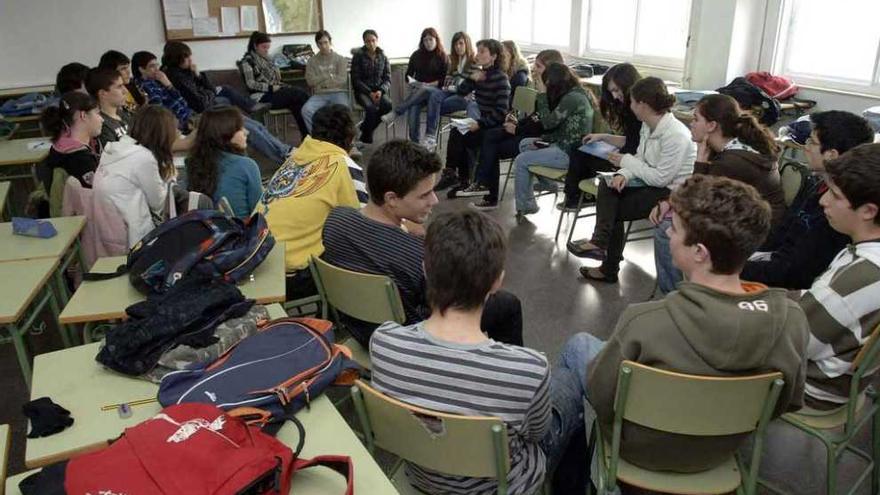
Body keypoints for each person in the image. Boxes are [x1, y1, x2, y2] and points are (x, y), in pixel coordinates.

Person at [561, 174, 808, 473]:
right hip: (724, 451)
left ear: (699, 252)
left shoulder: (644, 322)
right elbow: (785, 403)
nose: (667, 234)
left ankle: (573, 475)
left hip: (641, 451)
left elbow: (602, 398)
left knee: (578, 346)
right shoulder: (792, 320)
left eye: (674, 229)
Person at [370, 210, 585, 495]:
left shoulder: (384, 342)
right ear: (497, 281)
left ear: (425, 269)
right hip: (502, 486)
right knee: (570, 387)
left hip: (422, 478)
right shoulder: (528, 369)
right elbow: (536, 434)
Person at [322, 140, 524, 348]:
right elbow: (448, 304)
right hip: (409, 342)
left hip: (357, 329)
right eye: (424, 194)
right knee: (507, 304)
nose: (435, 201)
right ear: (391, 198)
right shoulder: (419, 255)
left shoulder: (336, 219)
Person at [651, 93, 787, 293]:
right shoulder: (734, 148)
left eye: (696, 118)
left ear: (712, 126)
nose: (691, 123)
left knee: (666, 230)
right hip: (751, 222)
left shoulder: (731, 161)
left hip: (758, 234)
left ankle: (677, 296)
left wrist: (699, 161)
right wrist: (668, 202)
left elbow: (695, 198)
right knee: (673, 222)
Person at [573, 77, 695, 284]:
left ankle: (606, 261)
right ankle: (601, 245)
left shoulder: (676, 135)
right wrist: (623, 174)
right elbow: (640, 158)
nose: (629, 106)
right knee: (608, 183)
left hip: (671, 191)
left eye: (632, 102)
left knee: (612, 212)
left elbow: (661, 178)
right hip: (651, 182)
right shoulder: (647, 125)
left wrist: (625, 161)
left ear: (643, 105)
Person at [741, 111, 875, 290]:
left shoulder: (839, 213)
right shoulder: (817, 185)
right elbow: (782, 232)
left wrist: (732, 268)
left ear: (832, 155)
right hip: (771, 263)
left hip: (783, 284)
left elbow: (794, 273)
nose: (805, 146)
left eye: (812, 141)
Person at [255, 104, 367, 301]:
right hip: (289, 276)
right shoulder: (344, 166)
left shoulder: (295, 158)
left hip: (256, 259)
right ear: (351, 137)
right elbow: (367, 225)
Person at [799, 143, 880, 410]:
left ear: (868, 210)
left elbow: (792, 341)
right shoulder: (864, 256)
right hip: (849, 378)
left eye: (834, 195)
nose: (823, 200)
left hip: (814, 389)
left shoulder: (860, 276)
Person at [161, 41, 291, 164]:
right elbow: (200, 104)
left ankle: (284, 151)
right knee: (250, 129)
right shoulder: (177, 77)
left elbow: (209, 90)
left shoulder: (186, 72)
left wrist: (198, 76)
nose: (191, 60)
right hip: (202, 115)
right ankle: (283, 157)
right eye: (187, 57)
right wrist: (208, 93)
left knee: (256, 125)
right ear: (177, 59)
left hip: (210, 108)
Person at [503, 63, 593, 214]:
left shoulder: (573, 98)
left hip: (569, 152)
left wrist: (542, 94)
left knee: (521, 160)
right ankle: (548, 183)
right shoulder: (573, 92)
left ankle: (526, 205)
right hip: (561, 143)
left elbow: (547, 123)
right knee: (525, 144)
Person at [561, 63, 642, 213]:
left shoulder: (638, 110)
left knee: (579, 152)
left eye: (616, 90)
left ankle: (576, 197)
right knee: (580, 145)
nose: (614, 96)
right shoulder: (629, 107)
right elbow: (631, 140)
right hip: (625, 156)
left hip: (629, 163)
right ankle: (577, 197)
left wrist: (619, 156)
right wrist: (602, 137)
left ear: (628, 85)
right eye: (611, 91)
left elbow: (637, 147)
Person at [93, 105, 177, 247]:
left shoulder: (115, 148)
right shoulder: (143, 157)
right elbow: (159, 204)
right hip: (137, 237)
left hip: (110, 231)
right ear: (162, 135)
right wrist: (171, 176)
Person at [438, 39, 510, 196]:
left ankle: (466, 180)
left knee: (464, 136)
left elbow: (500, 113)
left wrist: (480, 124)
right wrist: (471, 77)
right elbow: (461, 92)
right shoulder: (480, 74)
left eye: (482, 51)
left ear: (494, 56)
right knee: (457, 132)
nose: (478, 55)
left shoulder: (501, 79)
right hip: (480, 121)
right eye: (478, 51)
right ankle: (454, 176)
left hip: (492, 126)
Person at [185, 107, 261, 217]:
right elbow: (260, 213)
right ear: (225, 134)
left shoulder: (192, 162)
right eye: (240, 128)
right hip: (243, 230)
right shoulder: (246, 165)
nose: (246, 132)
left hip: (206, 230)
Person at [381, 28, 449, 143]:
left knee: (425, 89)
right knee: (413, 113)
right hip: (418, 93)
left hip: (436, 92)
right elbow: (408, 75)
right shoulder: (416, 55)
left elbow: (444, 80)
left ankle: (397, 112)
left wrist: (428, 85)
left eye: (431, 39)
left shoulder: (443, 56)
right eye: (425, 40)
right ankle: (415, 144)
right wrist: (414, 83)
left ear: (436, 40)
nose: (428, 43)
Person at [239, 31, 310, 138]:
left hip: (275, 92)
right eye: (264, 47)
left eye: (268, 47)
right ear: (255, 46)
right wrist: (271, 88)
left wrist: (279, 84)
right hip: (261, 98)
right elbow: (250, 84)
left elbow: (276, 79)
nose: (266, 50)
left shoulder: (267, 59)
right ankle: (309, 136)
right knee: (299, 95)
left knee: (298, 102)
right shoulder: (247, 62)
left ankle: (307, 137)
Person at [422, 31, 477, 151]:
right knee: (435, 95)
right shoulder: (454, 59)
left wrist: (455, 82)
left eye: (461, 44)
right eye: (455, 45)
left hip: (465, 96)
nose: (458, 47)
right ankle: (430, 137)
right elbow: (448, 79)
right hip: (452, 90)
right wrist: (450, 82)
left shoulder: (474, 61)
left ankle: (430, 137)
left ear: (467, 44)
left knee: (434, 106)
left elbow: (470, 85)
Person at [39, 91, 103, 189]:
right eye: (97, 113)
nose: (102, 119)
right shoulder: (81, 160)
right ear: (83, 116)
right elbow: (96, 197)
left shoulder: (58, 146)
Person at [131, 51, 194, 132]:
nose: (157, 69)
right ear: (142, 69)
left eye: (157, 65)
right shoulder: (143, 87)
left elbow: (183, 102)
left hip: (189, 117)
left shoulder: (157, 80)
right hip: (179, 126)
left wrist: (168, 84)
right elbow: (160, 113)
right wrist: (186, 125)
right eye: (152, 66)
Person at [302, 30, 350, 133]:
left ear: (330, 42)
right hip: (319, 94)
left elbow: (342, 80)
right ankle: (318, 139)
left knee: (344, 109)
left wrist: (321, 82)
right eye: (320, 43)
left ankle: (348, 142)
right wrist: (328, 76)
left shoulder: (340, 59)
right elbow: (310, 81)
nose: (323, 46)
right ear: (317, 44)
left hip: (338, 92)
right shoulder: (312, 61)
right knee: (306, 110)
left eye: (325, 42)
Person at [350, 29, 392, 146]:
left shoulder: (383, 56)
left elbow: (387, 79)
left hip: (379, 90)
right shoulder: (358, 57)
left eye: (373, 40)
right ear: (364, 42)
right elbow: (356, 79)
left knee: (388, 105)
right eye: (368, 41)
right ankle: (367, 137)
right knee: (371, 108)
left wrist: (380, 90)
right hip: (362, 91)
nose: (371, 43)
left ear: (377, 40)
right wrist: (369, 93)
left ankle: (366, 128)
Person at [86, 68, 133, 149]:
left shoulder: (124, 114)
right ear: (103, 93)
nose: (125, 91)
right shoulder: (101, 125)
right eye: (119, 87)